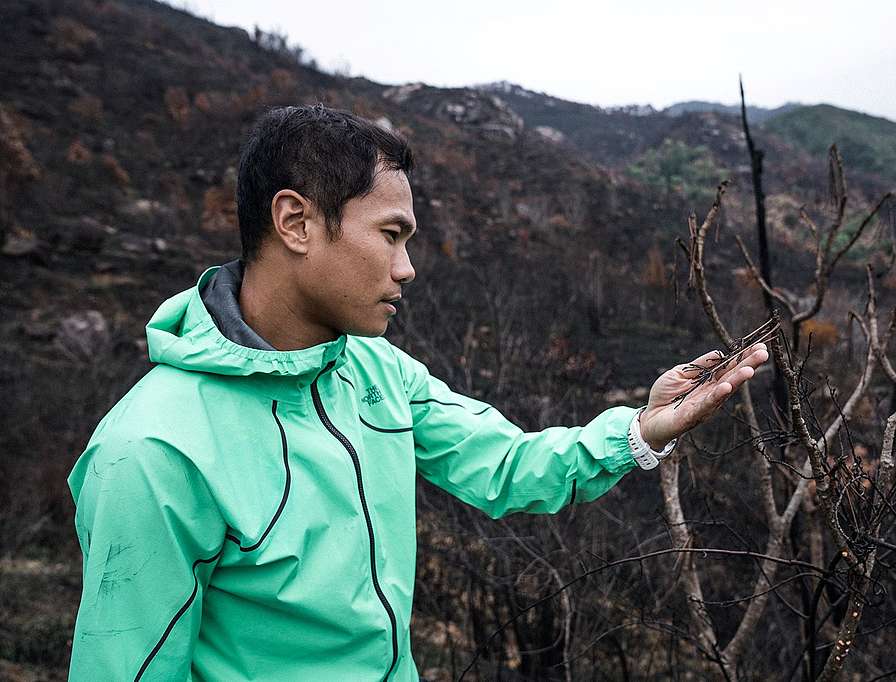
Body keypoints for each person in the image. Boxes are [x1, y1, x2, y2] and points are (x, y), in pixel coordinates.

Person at [67, 105, 769, 681]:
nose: (406, 270)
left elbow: (507, 467)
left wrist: (644, 428)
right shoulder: (151, 451)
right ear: (296, 222)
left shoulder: (376, 374)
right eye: (391, 235)